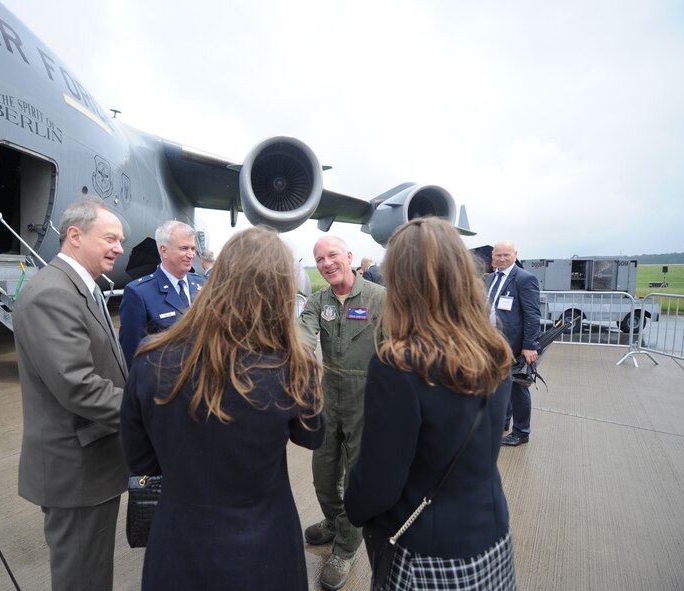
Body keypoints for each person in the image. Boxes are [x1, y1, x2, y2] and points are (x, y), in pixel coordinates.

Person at [120, 226, 324, 591]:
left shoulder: (151, 358)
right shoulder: (291, 366)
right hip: (265, 547)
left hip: (179, 544)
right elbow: (312, 435)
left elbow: (139, 460)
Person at [344, 217, 516, 590]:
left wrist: (351, 503)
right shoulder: (494, 349)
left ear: (403, 283)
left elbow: (378, 484)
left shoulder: (399, 365)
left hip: (427, 554)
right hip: (492, 537)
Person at [13, 199, 129, 591]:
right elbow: (77, 384)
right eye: (111, 238)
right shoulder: (53, 292)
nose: (119, 248)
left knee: (92, 572)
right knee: (83, 579)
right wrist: (147, 410)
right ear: (75, 236)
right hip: (76, 471)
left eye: (120, 241)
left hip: (92, 466)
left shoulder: (81, 287)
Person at [299, 236, 386, 590]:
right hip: (329, 396)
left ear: (349, 257)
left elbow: (397, 347)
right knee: (323, 471)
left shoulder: (378, 298)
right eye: (319, 259)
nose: (326, 263)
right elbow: (302, 337)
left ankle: (346, 548)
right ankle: (335, 522)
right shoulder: (319, 301)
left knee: (356, 478)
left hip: (366, 397)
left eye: (332, 255)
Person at [119, 220, 205, 366]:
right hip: (164, 383)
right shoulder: (138, 293)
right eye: (184, 248)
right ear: (164, 251)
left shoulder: (203, 285)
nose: (191, 255)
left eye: (192, 249)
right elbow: (132, 353)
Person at [486, 240, 541, 446]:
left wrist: (529, 345)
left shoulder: (524, 279)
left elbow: (532, 315)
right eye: (498, 255)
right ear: (492, 256)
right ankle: (503, 423)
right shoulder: (491, 278)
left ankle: (521, 432)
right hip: (492, 342)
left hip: (514, 344)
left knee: (517, 387)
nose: (501, 259)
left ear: (515, 255)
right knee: (501, 385)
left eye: (506, 255)